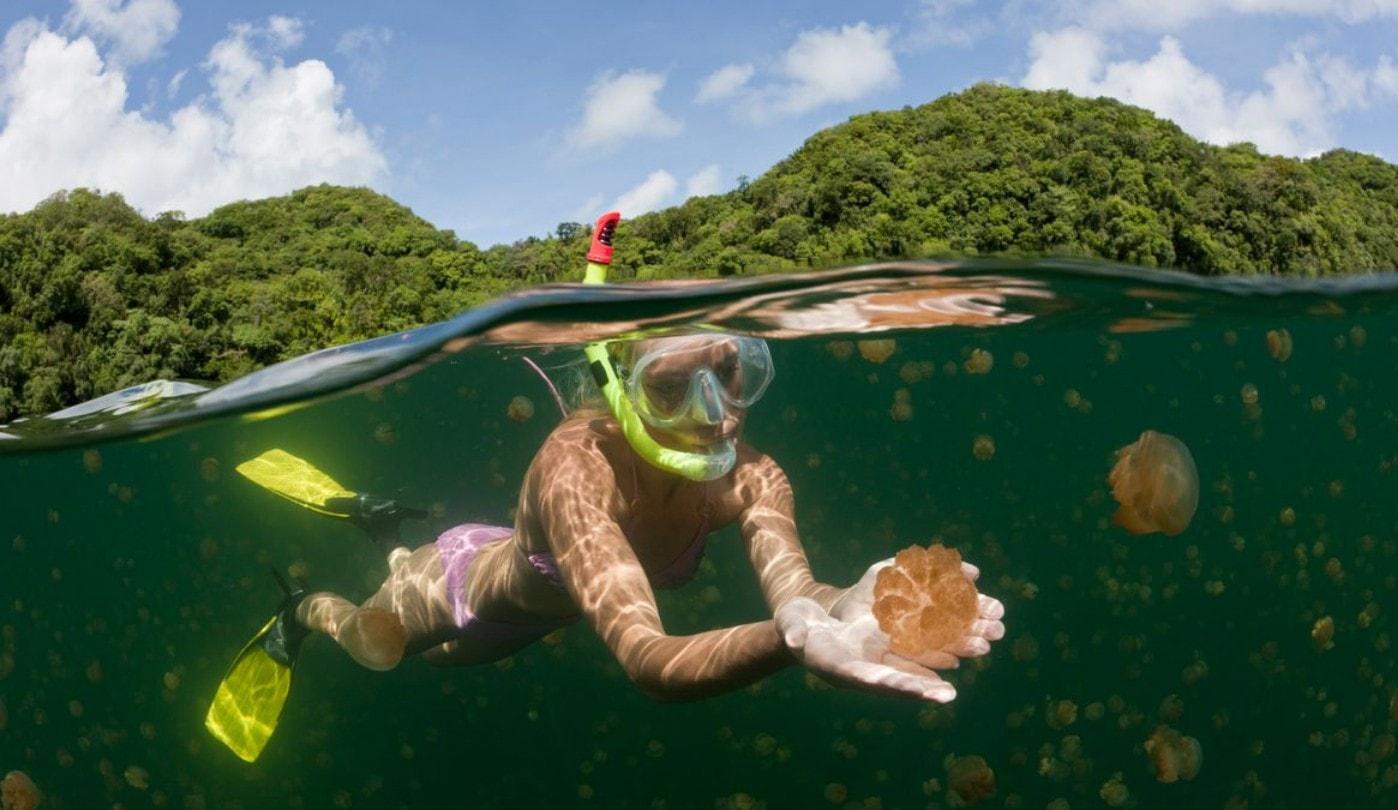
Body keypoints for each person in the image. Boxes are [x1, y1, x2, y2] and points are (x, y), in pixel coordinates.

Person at [205, 216, 1006, 764]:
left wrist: (838, 607)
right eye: (675, 391)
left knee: (415, 580)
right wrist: (787, 643)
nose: (718, 420)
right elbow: (650, 660)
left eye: (733, 378)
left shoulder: (751, 477)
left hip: (523, 597)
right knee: (375, 644)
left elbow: (796, 586)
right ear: (617, 391)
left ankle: (379, 522)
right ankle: (302, 608)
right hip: (462, 599)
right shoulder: (574, 471)